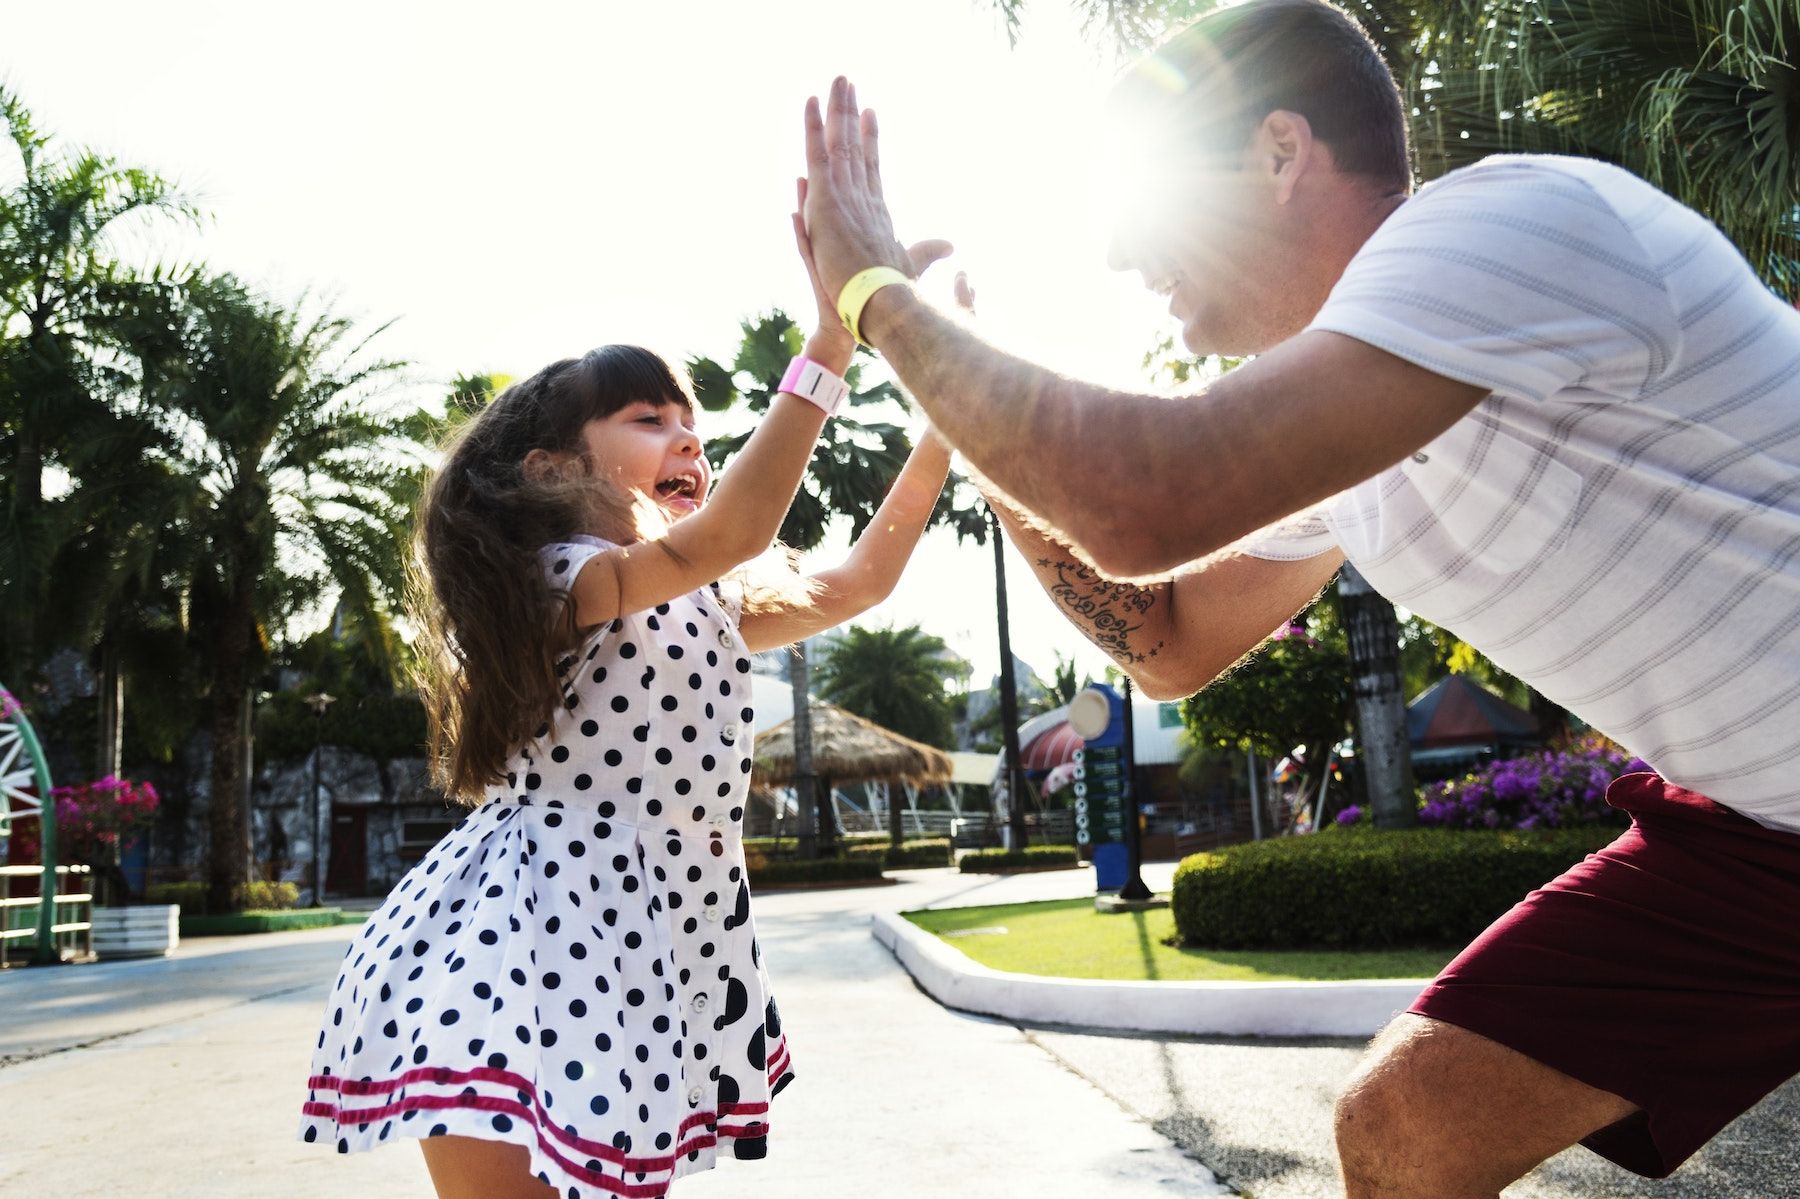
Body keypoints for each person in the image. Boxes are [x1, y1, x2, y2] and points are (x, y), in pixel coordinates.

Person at [793, 1, 1800, 1195]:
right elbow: (1165, 635)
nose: (1125, 257)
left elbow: (1143, 501)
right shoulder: (1349, 426)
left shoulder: (1510, 223)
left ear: (1280, 153)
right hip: (1761, 831)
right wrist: (960, 403)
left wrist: (873, 295)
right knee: (1408, 1127)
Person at [297, 201, 958, 1199]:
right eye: (650, 418)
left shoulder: (706, 598)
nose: (688, 435)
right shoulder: (565, 581)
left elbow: (859, 581)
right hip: (524, 938)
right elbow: (730, 531)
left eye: (691, 419)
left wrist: (949, 429)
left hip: (650, 929)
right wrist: (830, 342)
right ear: (553, 468)